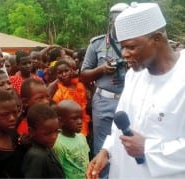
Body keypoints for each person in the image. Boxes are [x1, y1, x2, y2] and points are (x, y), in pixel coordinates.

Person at [87, 2, 185, 179]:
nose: (124, 54)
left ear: (157, 39)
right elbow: (122, 122)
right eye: (123, 46)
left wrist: (149, 149)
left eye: (131, 47)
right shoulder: (134, 75)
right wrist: (107, 150)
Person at [80, 2, 129, 177]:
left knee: (128, 144)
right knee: (102, 148)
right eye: (115, 19)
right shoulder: (97, 44)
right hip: (104, 101)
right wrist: (101, 70)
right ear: (110, 21)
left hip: (130, 99)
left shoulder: (136, 43)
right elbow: (83, 75)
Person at [21, 103, 65, 178]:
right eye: (47, 133)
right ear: (31, 131)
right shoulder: (36, 156)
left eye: (56, 131)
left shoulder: (46, 147)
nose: (54, 137)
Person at [51, 60, 91, 136]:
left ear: (72, 70)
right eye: (60, 73)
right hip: (70, 130)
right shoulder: (58, 94)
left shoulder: (80, 85)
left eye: (66, 71)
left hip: (84, 124)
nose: (64, 74)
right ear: (56, 76)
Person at [53, 100, 90, 179]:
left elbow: (86, 160)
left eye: (81, 118)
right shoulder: (58, 144)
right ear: (61, 121)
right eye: (74, 118)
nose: (80, 122)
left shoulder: (82, 137)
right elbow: (58, 170)